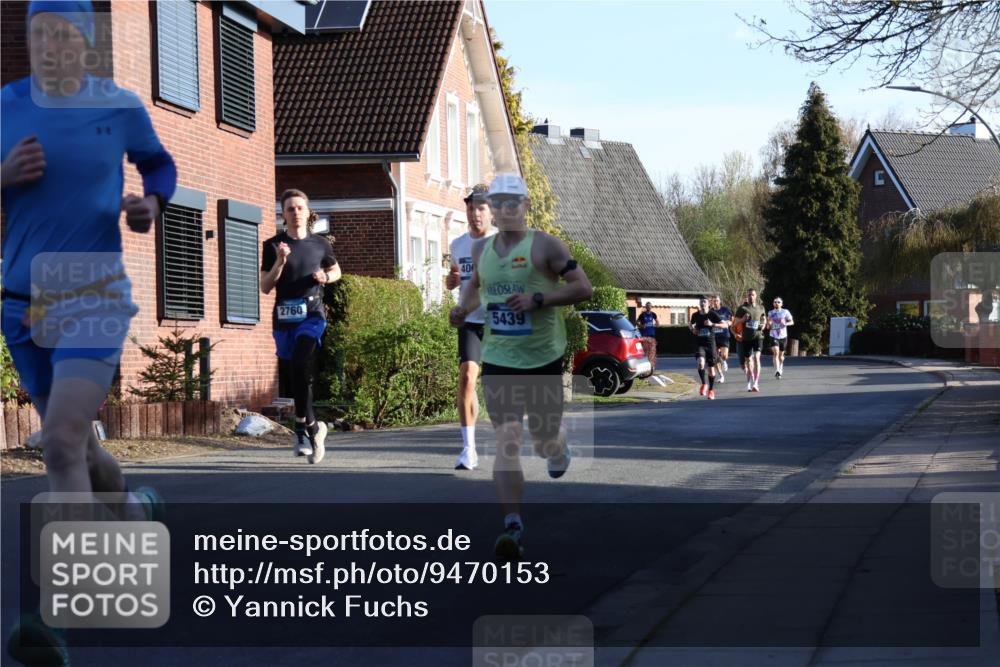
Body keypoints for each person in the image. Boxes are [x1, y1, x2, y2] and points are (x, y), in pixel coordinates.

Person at [2, 2, 176, 663]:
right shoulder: (6, 106)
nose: (48, 46)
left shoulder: (120, 105)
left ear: (86, 43)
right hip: (24, 303)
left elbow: (158, 165)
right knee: (81, 446)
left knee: (62, 440)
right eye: (36, 33)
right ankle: (135, 513)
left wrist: (149, 206)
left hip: (94, 293)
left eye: (62, 34)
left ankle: (54, 616)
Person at [449, 173, 592, 561]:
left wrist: (540, 298)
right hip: (498, 358)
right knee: (507, 440)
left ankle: (557, 448)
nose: (505, 209)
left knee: (544, 439)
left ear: (525, 206)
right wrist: (462, 309)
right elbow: (475, 285)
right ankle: (513, 523)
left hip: (544, 355)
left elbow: (583, 287)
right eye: (498, 203)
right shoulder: (482, 251)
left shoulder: (545, 245)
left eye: (513, 202)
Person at [261, 189, 340, 464]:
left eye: (299, 208)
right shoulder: (272, 245)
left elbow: (336, 270)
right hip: (284, 316)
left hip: (312, 314)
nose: (295, 212)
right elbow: (265, 286)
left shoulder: (320, 244)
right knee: (293, 373)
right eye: (290, 208)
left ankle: (302, 427)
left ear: (308, 212)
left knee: (300, 362)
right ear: (283, 214)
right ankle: (312, 427)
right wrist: (280, 262)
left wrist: (325, 277)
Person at [445, 184, 495, 470]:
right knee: (466, 379)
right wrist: (452, 280)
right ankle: (468, 449)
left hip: (499, 323)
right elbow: (455, 273)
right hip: (470, 322)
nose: (475, 214)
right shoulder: (458, 244)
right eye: (470, 208)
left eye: (481, 208)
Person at [689, 297, 726, 400]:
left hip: (711, 345)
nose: (702, 303)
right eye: (701, 302)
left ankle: (711, 390)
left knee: (711, 371)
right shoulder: (695, 315)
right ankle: (704, 384)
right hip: (700, 344)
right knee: (700, 363)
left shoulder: (712, 314)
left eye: (704, 302)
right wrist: (692, 329)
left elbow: (725, 325)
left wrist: (712, 324)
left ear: (708, 304)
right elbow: (690, 324)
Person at [735, 288, 767, 392]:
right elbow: (734, 323)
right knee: (749, 361)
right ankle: (749, 382)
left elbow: (764, 319)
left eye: (752, 295)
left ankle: (756, 383)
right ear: (747, 296)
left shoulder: (761, 307)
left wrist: (763, 325)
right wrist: (743, 320)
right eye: (749, 295)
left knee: (757, 358)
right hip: (746, 338)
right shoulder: (742, 309)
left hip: (758, 337)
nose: (751, 297)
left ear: (756, 296)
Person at [767, 297, 794, 378]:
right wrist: (769, 324)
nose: (777, 303)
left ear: (781, 304)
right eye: (775, 302)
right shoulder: (770, 313)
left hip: (783, 336)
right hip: (773, 335)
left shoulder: (785, 312)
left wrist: (785, 324)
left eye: (779, 302)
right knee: (775, 353)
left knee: (781, 356)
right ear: (773, 303)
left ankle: (781, 365)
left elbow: (792, 322)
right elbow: (768, 324)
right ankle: (777, 370)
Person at [709, 295, 732, 383]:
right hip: (713, 337)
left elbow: (731, 321)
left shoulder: (725, 310)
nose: (715, 302)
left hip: (724, 335)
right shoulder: (710, 312)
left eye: (717, 300)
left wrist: (727, 323)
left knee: (724, 355)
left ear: (720, 301)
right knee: (714, 357)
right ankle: (721, 376)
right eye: (713, 301)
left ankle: (723, 361)